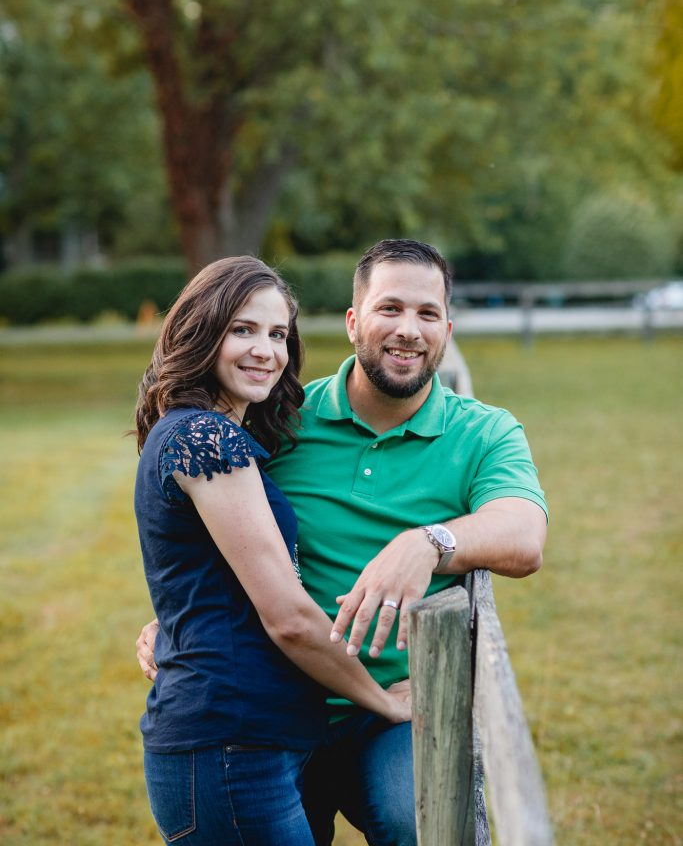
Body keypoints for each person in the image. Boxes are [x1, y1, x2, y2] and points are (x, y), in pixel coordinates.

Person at [137, 239, 548, 846]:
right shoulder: (279, 419)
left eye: (427, 314)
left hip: (390, 712)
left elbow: (524, 534)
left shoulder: (483, 430)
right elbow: (208, 530)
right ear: (354, 320)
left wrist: (427, 542)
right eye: (390, 309)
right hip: (273, 705)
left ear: (447, 329)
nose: (409, 330)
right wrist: (177, 619)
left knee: (421, 820)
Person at [133, 256, 411, 846]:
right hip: (230, 746)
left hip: (252, 740)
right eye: (243, 329)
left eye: (278, 333)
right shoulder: (205, 438)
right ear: (201, 331)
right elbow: (287, 618)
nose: (267, 350)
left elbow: (203, 579)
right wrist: (382, 702)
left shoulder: (211, 434)